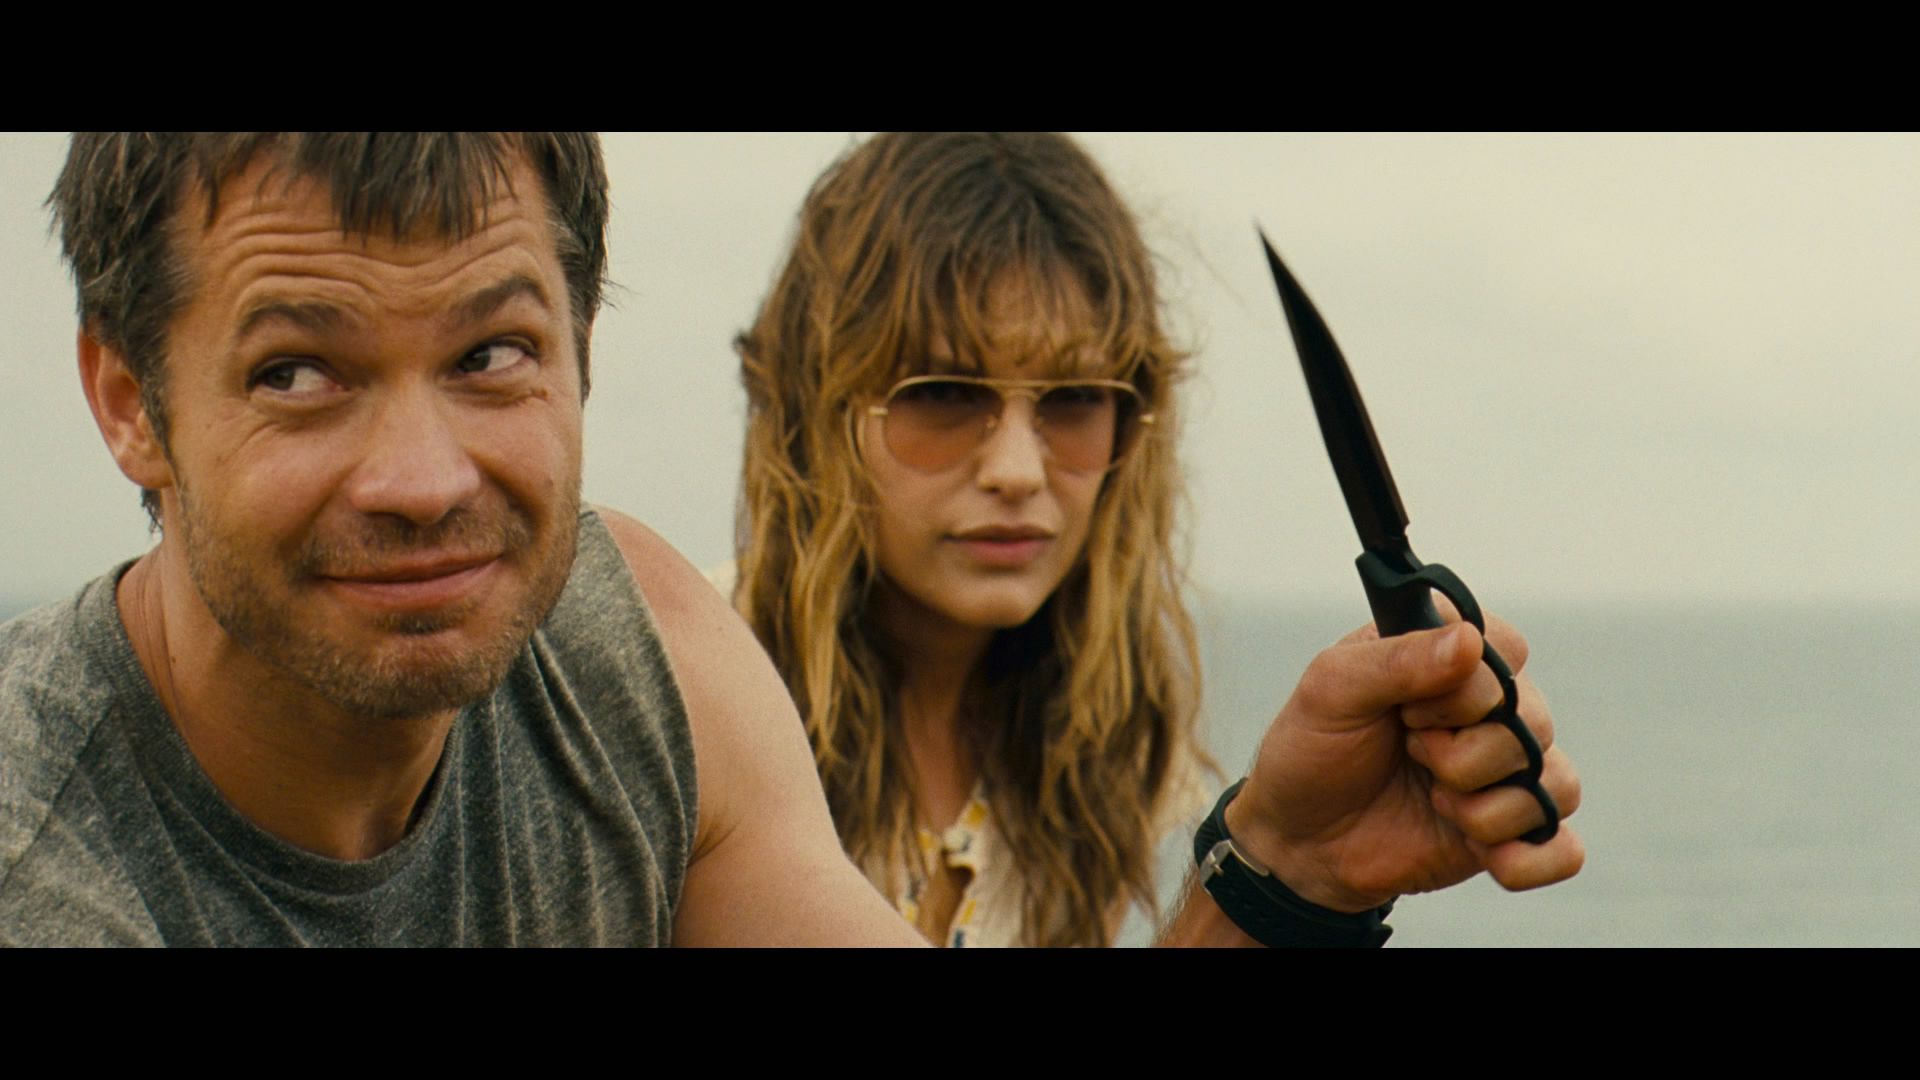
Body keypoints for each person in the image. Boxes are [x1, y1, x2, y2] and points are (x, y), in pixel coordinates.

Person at [0, 132, 1580, 947]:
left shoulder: (632, 662)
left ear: (582, 356)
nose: (420, 478)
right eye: (299, 373)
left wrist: (1287, 877)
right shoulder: (52, 878)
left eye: (491, 353)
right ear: (129, 401)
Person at [732, 132, 1585, 946]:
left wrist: (1292, 874)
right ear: (811, 408)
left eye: (1075, 401)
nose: (1017, 470)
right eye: (943, 395)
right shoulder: (689, 705)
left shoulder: (1099, 740)